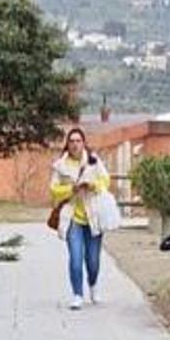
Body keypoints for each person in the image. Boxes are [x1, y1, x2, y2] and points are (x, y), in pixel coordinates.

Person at [50, 126, 111, 308]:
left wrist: (93, 185)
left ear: (83, 143)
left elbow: (105, 181)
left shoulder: (93, 161)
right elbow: (53, 189)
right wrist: (71, 189)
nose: (75, 144)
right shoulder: (60, 166)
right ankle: (77, 294)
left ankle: (93, 286)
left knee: (93, 261)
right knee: (76, 258)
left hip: (93, 216)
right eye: (72, 141)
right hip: (72, 218)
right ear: (67, 144)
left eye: (78, 141)